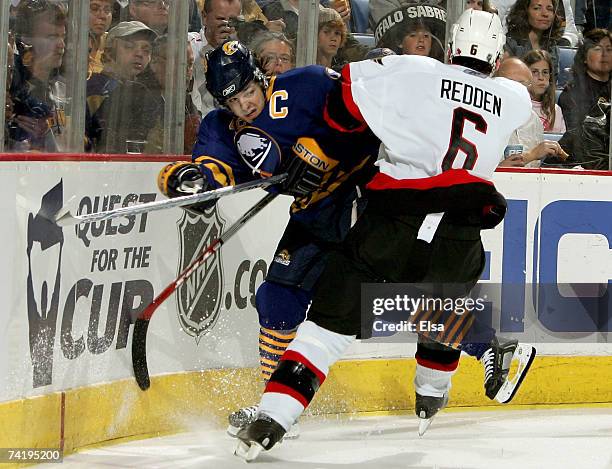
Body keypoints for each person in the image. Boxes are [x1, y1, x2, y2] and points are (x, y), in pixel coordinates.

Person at [234, 10, 537, 461]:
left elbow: (342, 108)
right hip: (461, 229)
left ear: (449, 45)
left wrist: (318, 147)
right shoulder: (513, 96)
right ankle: (432, 394)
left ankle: (272, 418)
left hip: (396, 219)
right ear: (495, 57)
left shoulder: (413, 69)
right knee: (438, 315)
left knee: (326, 329)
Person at [156, 40, 381, 437]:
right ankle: (273, 405)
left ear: (259, 77)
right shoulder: (219, 130)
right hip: (316, 215)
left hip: (369, 198)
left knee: (394, 299)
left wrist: (323, 150)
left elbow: (370, 120)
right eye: (233, 100)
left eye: (248, 91)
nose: (245, 104)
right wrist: (188, 180)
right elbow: (214, 169)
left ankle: (488, 345)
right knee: (277, 299)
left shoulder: (308, 84)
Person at [86, 21, 158, 153]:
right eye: (129, 46)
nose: (139, 54)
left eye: (146, 50)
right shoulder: (95, 88)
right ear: (108, 52)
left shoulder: (143, 91)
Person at [495, 57, 568, 167]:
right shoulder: (485, 116)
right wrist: (532, 155)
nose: (515, 90)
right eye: (509, 83)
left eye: (522, 85)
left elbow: (533, 167)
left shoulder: (534, 120)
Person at [504, 0, 564, 75]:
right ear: (524, 12)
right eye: (537, 8)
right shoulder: (509, 44)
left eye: (549, 9)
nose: (545, 14)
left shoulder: (552, 48)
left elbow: (552, 84)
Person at [522, 49, 566, 133]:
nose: (541, 77)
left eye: (545, 72)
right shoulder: (515, 105)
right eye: (535, 72)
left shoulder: (556, 110)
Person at [88, 0, 114, 78]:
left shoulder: (114, 44)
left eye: (107, 10)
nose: (103, 16)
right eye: (94, 9)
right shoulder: (67, 43)